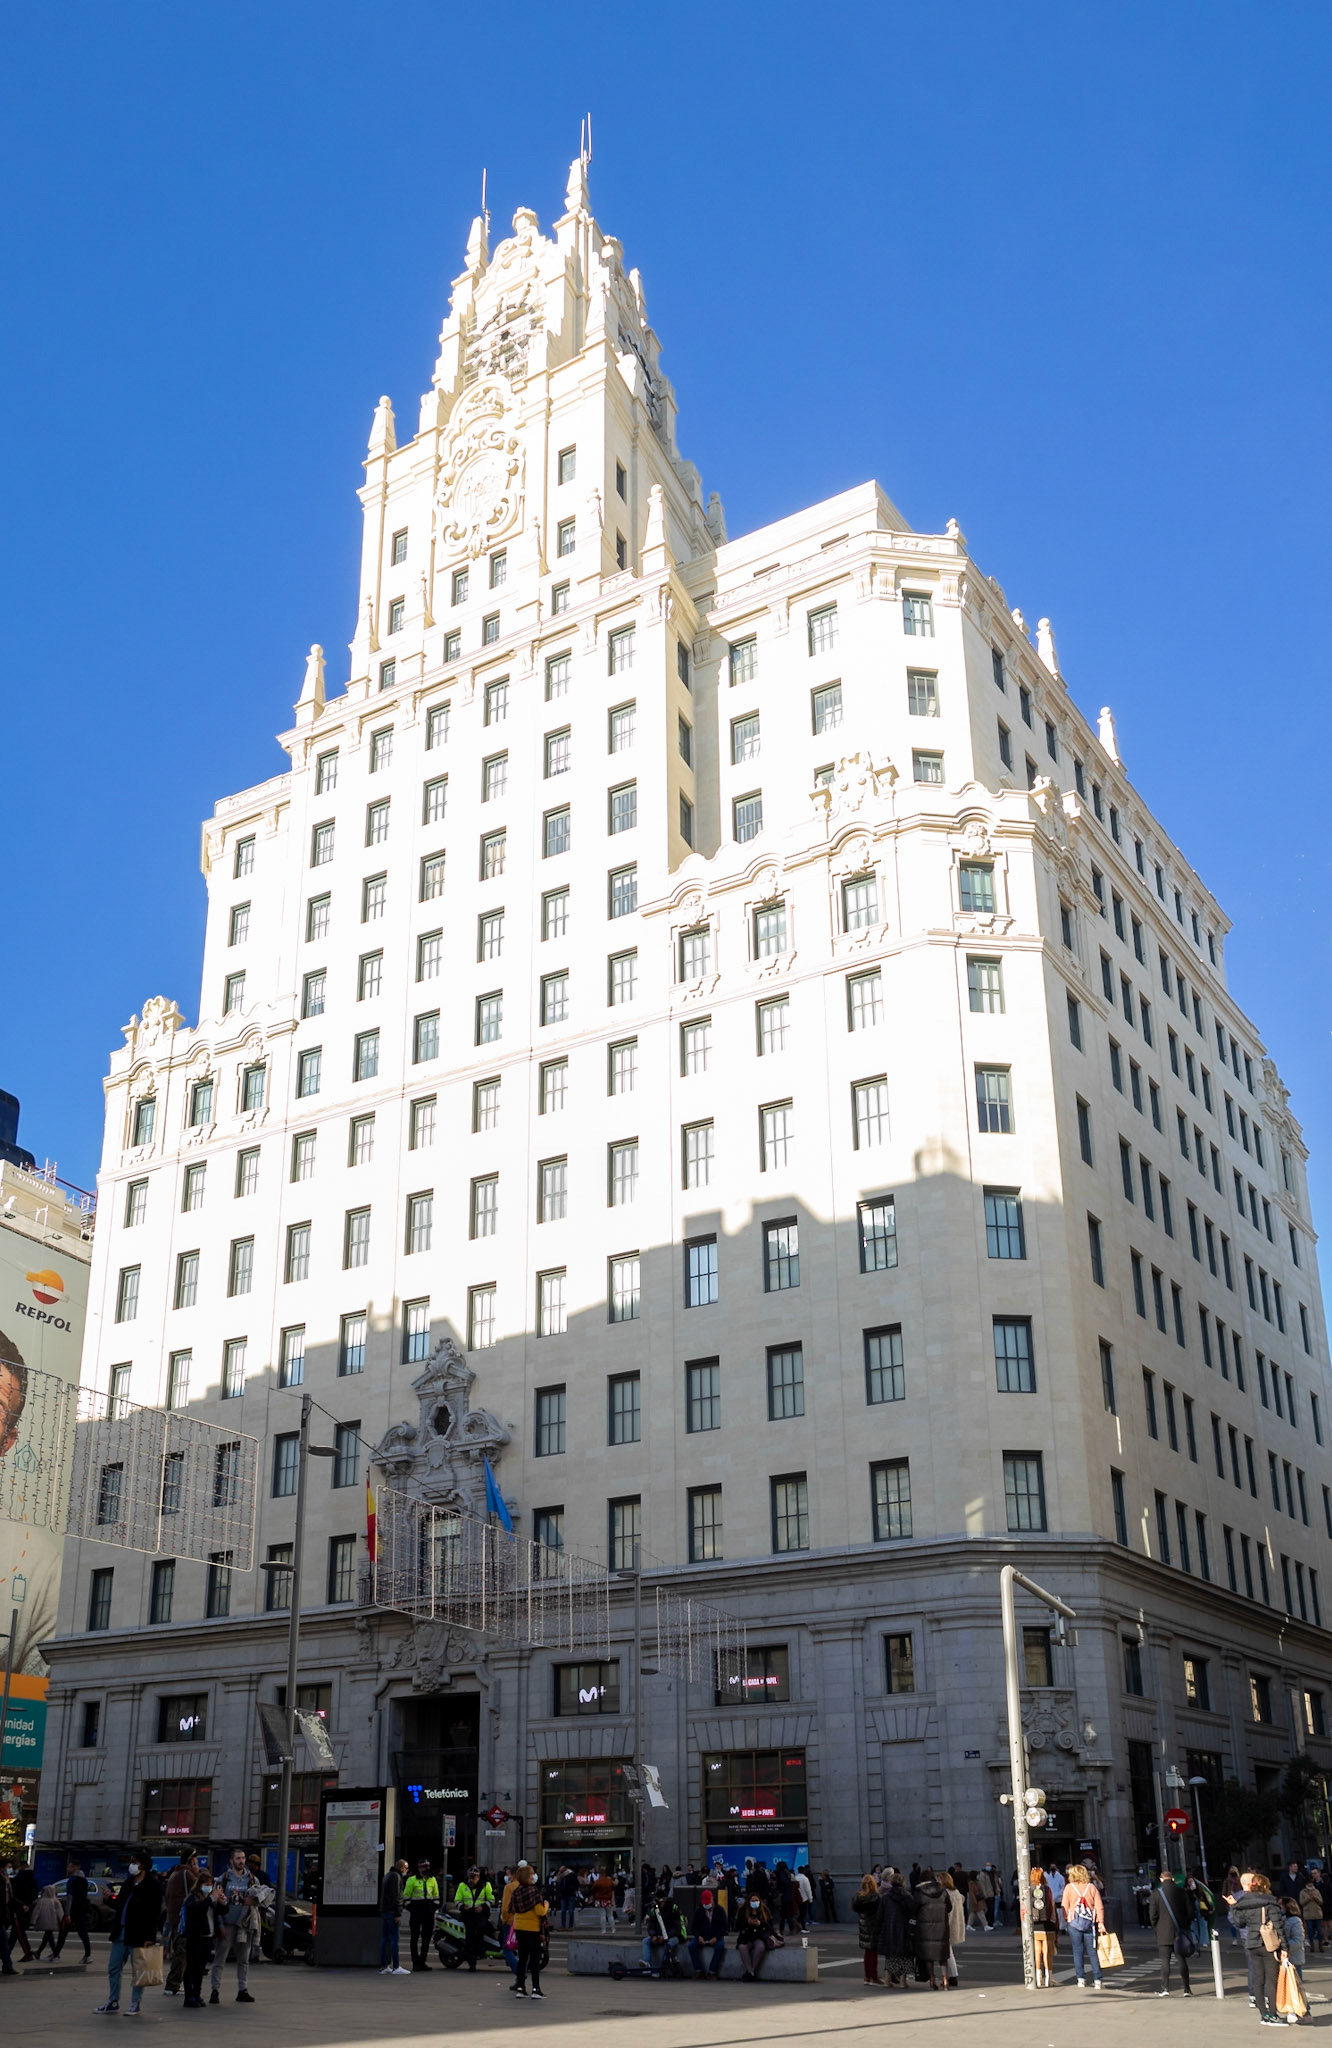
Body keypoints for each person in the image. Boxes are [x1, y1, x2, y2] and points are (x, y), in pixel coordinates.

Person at [96, 1849, 164, 2016]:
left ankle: (135, 2002)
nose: (132, 1865)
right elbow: (119, 1904)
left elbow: (154, 1913)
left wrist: (150, 1936)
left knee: (138, 1969)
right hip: (121, 1931)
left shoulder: (152, 1885)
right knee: (114, 1967)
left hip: (139, 1933)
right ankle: (113, 2000)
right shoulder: (128, 1883)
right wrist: (108, 1898)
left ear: (143, 1866)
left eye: (135, 1862)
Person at [1226, 1871, 1283, 2025]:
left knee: (1258, 1979)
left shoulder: (1244, 1903)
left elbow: (1239, 1923)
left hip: (1251, 1944)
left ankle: (1263, 2015)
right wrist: (1284, 1947)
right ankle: (1273, 2015)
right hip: (1268, 1945)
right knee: (1271, 1980)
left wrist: (1233, 1906)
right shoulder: (1270, 1902)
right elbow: (1279, 1926)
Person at [209, 1847, 257, 2005]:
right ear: (231, 1861)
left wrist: (254, 1901)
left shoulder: (251, 1879)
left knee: (244, 1959)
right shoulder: (223, 1879)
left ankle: (243, 1990)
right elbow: (216, 1904)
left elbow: (259, 1899)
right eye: (238, 1858)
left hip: (243, 1925)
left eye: (243, 1858)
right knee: (220, 1959)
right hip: (227, 1924)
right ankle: (215, 1990)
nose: (241, 1861)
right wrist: (220, 1925)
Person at [500, 1862, 548, 1999]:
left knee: (522, 1958)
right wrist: (546, 1905)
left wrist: (505, 1920)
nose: (533, 1877)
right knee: (534, 1959)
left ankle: (520, 1988)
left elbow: (509, 1908)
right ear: (528, 1877)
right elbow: (539, 1911)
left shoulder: (516, 1891)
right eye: (532, 1875)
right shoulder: (533, 1892)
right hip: (532, 1928)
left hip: (519, 1927)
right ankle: (535, 1988)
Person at [1150, 1869, 1197, 1997]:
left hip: (1163, 1932)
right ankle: (1187, 1989)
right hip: (1179, 1932)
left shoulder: (1156, 1894)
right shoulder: (1182, 1892)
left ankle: (1165, 1988)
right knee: (1182, 1960)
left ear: (1161, 1879)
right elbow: (1191, 1912)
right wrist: (1185, 1924)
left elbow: (1153, 1915)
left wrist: (1157, 1928)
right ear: (1173, 1879)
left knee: (1165, 1961)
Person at [1061, 1863, 1105, 1989]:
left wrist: (1067, 1919)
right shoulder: (1091, 1887)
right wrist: (1100, 1922)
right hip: (1089, 1924)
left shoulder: (1069, 1888)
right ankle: (1098, 1980)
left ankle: (1081, 1979)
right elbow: (1099, 1906)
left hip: (1074, 1924)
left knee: (1077, 1952)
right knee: (1093, 1952)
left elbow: (1064, 1905)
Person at [161, 1850, 198, 1995]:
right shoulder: (187, 1874)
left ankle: (176, 1983)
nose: (197, 1863)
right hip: (183, 1920)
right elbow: (200, 1888)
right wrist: (197, 1872)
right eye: (195, 1861)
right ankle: (173, 1984)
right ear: (190, 1861)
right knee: (181, 1953)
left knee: (180, 1952)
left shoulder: (174, 1873)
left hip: (174, 1918)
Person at [910, 1867, 951, 1991]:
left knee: (928, 1956)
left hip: (925, 1928)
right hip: (941, 1927)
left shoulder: (919, 1892)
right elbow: (949, 1907)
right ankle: (945, 1979)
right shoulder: (943, 1891)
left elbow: (914, 1909)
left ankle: (932, 1979)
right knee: (942, 1955)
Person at [876, 1870, 914, 1989]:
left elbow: (880, 1916)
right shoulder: (907, 1896)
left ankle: (887, 1980)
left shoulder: (886, 1897)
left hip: (889, 1929)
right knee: (904, 1955)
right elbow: (912, 1913)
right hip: (904, 1929)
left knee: (891, 1955)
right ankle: (903, 1982)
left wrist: (880, 1928)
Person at [454, 1866, 494, 1971]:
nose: (472, 1880)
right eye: (470, 1877)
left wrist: (482, 1907)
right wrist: (463, 1907)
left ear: (479, 1877)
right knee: (469, 1938)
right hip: (468, 1915)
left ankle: (481, 1949)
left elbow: (491, 1899)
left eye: (474, 1877)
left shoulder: (486, 1885)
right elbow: (457, 1900)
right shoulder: (463, 1885)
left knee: (482, 1929)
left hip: (481, 1914)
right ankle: (472, 1964)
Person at [402, 1859, 439, 1972]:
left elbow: (436, 1896)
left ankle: (422, 1961)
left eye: (427, 1867)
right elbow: (406, 1897)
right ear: (419, 1868)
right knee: (414, 1937)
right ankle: (415, 1963)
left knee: (426, 1938)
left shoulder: (432, 1879)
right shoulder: (412, 1880)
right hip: (417, 1911)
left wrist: (433, 1908)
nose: (426, 1869)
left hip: (428, 1911)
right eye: (424, 1867)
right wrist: (413, 1909)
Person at [379, 1856, 410, 1975]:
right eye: (406, 1868)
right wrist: (398, 1913)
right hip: (392, 1912)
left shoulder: (387, 1875)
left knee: (385, 1939)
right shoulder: (396, 1877)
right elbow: (396, 1896)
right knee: (394, 1939)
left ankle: (384, 1966)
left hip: (385, 1911)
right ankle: (396, 1966)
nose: (406, 1870)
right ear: (401, 1867)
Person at [689, 1889, 729, 1978]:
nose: (706, 1905)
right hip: (702, 1935)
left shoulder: (720, 1910)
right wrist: (699, 1937)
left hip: (716, 1936)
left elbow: (724, 1928)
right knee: (691, 1946)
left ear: (712, 1899)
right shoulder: (699, 1910)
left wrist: (716, 1937)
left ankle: (712, 1971)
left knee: (719, 1947)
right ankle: (698, 1970)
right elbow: (694, 1927)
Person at [641, 1894, 685, 1975]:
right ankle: (647, 1964)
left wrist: (666, 1936)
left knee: (670, 1943)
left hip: (672, 1936)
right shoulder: (654, 1910)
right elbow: (651, 1926)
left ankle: (663, 1966)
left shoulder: (673, 1909)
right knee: (645, 1941)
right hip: (659, 1935)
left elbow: (677, 1928)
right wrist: (653, 1935)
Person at [734, 1892, 773, 1981]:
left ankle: (750, 1971)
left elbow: (770, 1926)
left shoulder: (764, 1910)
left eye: (756, 1900)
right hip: (746, 1937)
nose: (754, 1902)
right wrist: (747, 1923)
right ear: (749, 1901)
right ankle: (750, 1972)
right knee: (743, 1948)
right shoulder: (743, 1910)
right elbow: (737, 1926)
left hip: (759, 1936)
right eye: (752, 1901)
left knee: (760, 1947)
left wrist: (760, 1923)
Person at [61, 1855, 93, 1964]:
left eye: (69, 1866)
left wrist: (67, 1913)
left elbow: (70, 1897)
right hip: (81, 1909)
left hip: (73, 1910)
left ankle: (55, 1954)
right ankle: (88, 1954)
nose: (68, 1868)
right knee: (83, 1933)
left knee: (63, 1931)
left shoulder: (72, 1880)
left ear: (75, 1867)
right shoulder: (84, 1880)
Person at [853, 1872, 883, 1984]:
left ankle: (867, 1977)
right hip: (874, 1926)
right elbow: (880, 1913)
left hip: (864, 1926)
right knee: (873, 1953)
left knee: (867, 1952)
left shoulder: (859, 1897)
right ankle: (874, 1977)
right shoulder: (876, 1898)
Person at [941, 1870, 966, 1984]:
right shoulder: (956, 1892)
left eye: (939, 1879)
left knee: (947, 1952)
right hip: (956, 1924)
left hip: (947, 1924)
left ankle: (953, 1976)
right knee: (948, 1951)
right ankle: (951, 1976)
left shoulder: (945, 1893)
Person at [9, 1859, 36, 1963]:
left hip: (17, 1908)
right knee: (15, 1933)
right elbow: (33, 1894)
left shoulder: (17, 1879)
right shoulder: (33, 1880)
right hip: (26, 1908)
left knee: (18, 1931)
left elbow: (13, 1895)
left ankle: (27, 1952)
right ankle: (7, 1953)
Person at [30, 1884, 63, 1960]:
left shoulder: (41, 1901)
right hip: (53, 1923)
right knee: (48, 1936)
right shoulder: (56, 1901)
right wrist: (62, 1921)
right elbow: (60, 1913)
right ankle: (51, 1952)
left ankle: (51, 1952)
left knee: (47, 1936)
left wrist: (33, 1921)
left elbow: (36, 1912)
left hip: (43, 1922)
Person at [1299, 1875, 1324, 1953]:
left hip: (1317, 1913)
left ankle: (1320, 1944)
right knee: (1310, 1930)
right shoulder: (1303, 1892)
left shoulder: (1316, 1891)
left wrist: (1315, 1898)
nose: (1310, 1885)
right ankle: (1312, 1944)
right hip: (1308, 1914)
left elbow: (1321, 1901)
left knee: (1319, 1930)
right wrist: (1308, 1898)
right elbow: (1301, 1902)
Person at [590, 1866, 614, 1934]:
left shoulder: (597, 1882)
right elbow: (613, 1887)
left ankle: (603, 1930)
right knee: (610, 1915)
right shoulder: (609, 1881)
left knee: (602, 1915)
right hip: (608, 1899)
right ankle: (613, 1929)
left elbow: (593, 1889)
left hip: (599, 1899)